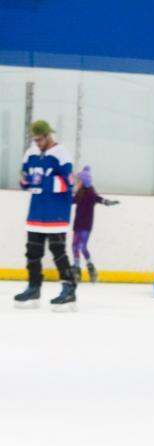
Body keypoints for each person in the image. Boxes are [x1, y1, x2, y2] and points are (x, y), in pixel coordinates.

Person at [14, 119, 76, 307]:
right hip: (36, 212)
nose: (38, 143)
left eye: (41, 139)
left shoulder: (61, 154)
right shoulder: (30, 153)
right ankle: (34, 287)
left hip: (56, 213)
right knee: (32, 252)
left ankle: (69, 288)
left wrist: (44, 181)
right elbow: (25, 180)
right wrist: (26, 181)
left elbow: (69, 184)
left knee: (58, 251)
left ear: (49, 136)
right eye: (36, 140)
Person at [71, 165, 119, 282]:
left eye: (78, 180)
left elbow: (99, 199)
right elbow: (71, 201)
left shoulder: (91, 194)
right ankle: (76, 269)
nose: (76, 183)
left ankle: (91, 267)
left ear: (83, 181)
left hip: (86, 226)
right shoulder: (79, 194)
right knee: (74, 246)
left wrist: (108, 202)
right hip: (77, 225)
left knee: (82, 246)